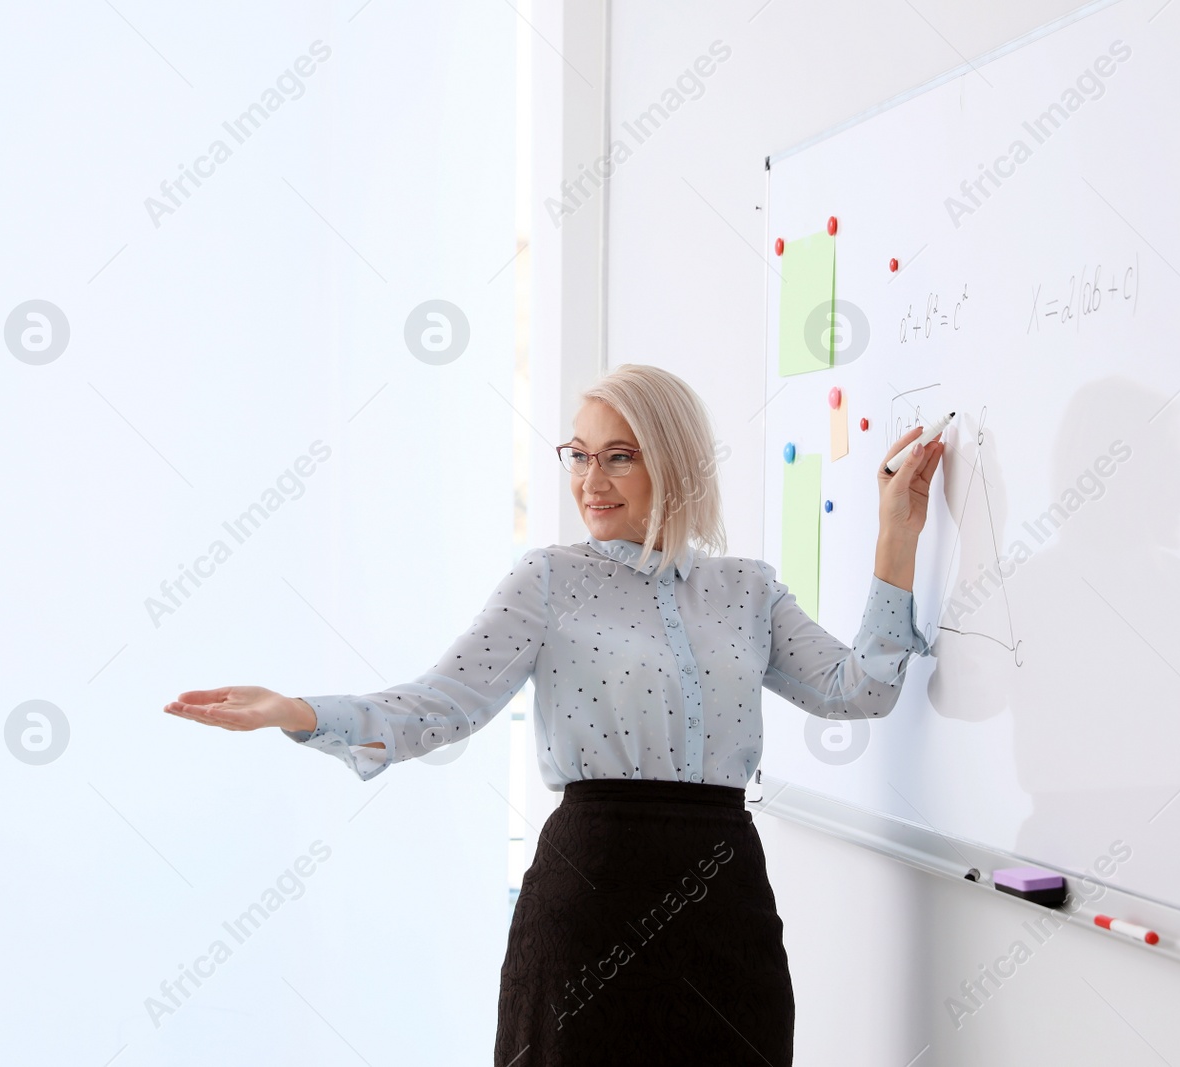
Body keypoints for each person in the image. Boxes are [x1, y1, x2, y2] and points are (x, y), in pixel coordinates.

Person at [164, 363, 943, 1066]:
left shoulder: (747, 589)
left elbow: (859, 688)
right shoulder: (546, 580)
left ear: (673, 461)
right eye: (578, 453)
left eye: (619, 455)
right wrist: (299, 710)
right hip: (591, 895)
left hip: (726, 896)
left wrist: (896, 535)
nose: (590, 480)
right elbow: (444, 703)